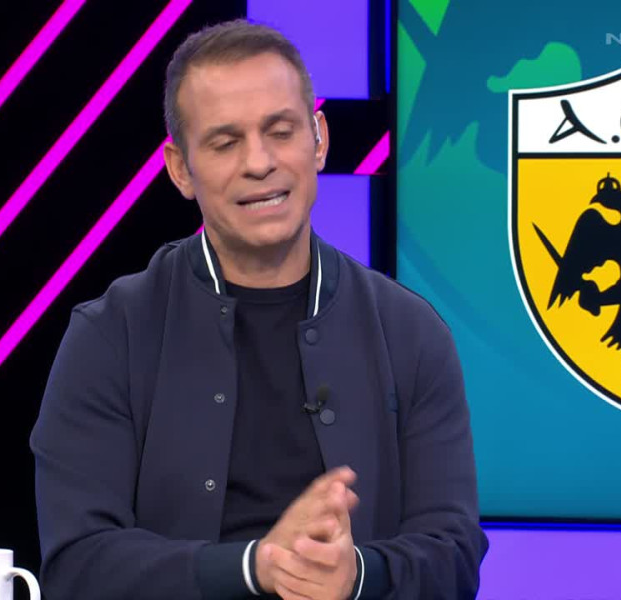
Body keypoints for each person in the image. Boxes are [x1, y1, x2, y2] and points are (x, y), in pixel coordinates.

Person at [30, 19, 488, 599]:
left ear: (318, 139)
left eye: (280, 131)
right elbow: (77, 564)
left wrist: (355, 575)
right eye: (226, 143)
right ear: (180, 168)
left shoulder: (410, 332)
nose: (259, 162)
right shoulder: (111, 335)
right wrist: (255, 567)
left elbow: (453, 556)